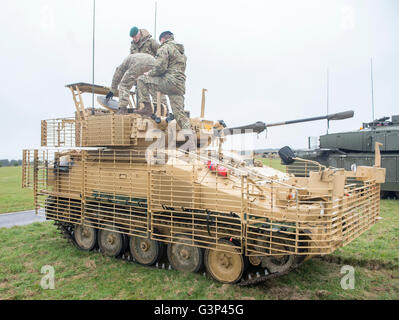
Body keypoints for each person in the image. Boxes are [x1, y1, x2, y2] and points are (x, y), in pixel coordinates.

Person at [136, 31, 191, 132]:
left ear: (162, 39)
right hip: (179, 86)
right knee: (179, 115)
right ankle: (191, 139)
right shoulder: (182, 53)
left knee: (141, 80)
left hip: (168, 82)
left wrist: (149, 73)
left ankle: (147, 107)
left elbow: (160, 67)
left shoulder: (164, 48)